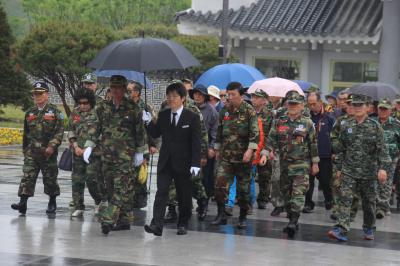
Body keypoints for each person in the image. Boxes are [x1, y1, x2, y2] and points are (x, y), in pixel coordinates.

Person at [328, 94, 390, 242]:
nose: (357, 108)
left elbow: (383, 150)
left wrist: (383, 169)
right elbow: (341, 149)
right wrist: (338, 168)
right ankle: (341, 229)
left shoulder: (375, 127)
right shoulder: (346, 126)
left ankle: (369, 227)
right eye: (354, 105)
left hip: (368, 173)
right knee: (345, 199)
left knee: (369, 203)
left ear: (367, 108)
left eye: (360, 105)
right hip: (349, 171)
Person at [143, 81, 201, 236]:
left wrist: (196, 163)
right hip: (166, 161)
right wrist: (148, 122)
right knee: (161, 192)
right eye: (168, 96)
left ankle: (183, 222)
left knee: (184, 194)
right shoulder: (163, 115)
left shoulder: (192, 117)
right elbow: (155, 133)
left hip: (184, 162)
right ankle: (157, 224)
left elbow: (196, 142)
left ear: (183, 98)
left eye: (174, 96)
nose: (171, 99)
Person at [96, 75, 147, 235]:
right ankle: (124, 220)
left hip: (126, 157)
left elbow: (140, 133)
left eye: (119, 88)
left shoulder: (133, 108)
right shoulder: (102, 107)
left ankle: (108, 220)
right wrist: (89, 145)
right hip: (107, 156)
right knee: (111, 189)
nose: (116, 91)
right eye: (113, 87)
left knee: (120, 189)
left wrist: (141, 153)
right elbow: (95, 127)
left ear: (125, 89)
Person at [267, 91, 319, 237]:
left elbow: (313, 144)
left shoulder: (307, 123)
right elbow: (271, 139)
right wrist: (267, 152)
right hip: (284, 164)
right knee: (286, 194)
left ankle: (293, 220)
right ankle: (292, 219)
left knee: (298, 193)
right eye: (290, 104)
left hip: (301, 165)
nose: (293, 106)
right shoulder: (279, 121)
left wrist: (315, 163)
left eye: (296, 104)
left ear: (302, 106)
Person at [11, 82, 64, 215]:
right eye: (35, 94)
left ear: (47, 94)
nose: (37, 96)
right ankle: (22, 203)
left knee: (50, 179)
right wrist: (25, 150)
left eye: (40, 93)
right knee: (27, 177)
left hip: (48, 153)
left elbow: (59, 131)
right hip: (32, 152)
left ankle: (52, 202)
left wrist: (52, 146)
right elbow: (26, 133)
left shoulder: (55, 112)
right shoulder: (30, 112)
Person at [212, 82, 259, 229]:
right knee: (219, 185)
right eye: (228, 95)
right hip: (226, 156)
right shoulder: (224, 110)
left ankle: (243, 217)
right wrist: (217, 149)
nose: (229, 98)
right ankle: (221, 215)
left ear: (241, 95)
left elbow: (255, 133)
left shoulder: (249, 111)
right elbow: (219, 131)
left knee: (243, 190)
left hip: (243, 157)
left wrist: (250, 150)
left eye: (233, 95)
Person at [68, 89, 102, 217]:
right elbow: (71, 129)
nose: (82, 105)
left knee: (91, 179)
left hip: (93, 153)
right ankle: (78, 206)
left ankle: (99, 201)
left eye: (85, 103)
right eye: (80, 103)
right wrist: (75, 145)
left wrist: (88, 147)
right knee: (77, 180)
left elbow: (101, 132)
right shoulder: (75, 112)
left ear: (91, 102)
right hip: (77, 152)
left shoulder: (97, 113)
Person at [127, 81, 158, 209]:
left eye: (129, 91)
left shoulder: (146, 107)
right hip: (127, 145)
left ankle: (140, 201)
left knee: (140, 174)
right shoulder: (124, 106)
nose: (127, 93)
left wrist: (152, 144)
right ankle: (127, 200)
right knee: (127, 174)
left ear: (137, 92)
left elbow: (153, 128)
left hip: (142, 146)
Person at [190, 84, 219, 218]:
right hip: (190, 150)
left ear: (205, 96)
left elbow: (215, 131)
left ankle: (204, 204)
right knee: (191, 178)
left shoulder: (212, 111)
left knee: (204, 179)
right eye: (195, 94)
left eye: (200, 94)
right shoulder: (189, 109)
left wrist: (211, 148)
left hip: (205, 150)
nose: (197, 96)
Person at [304, 92, 335, 213]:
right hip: (309, 155)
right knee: (308, 181)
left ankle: (328, 200)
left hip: (325, 155)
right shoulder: (306, 117)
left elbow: (335, 137)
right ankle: (308, 203)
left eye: (314, 104)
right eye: (309, 104)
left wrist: (334, 152)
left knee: (325, 181)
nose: (311, 106)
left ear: (320, 103)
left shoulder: (329, 117)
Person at [374, 99, 400, 218]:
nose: (383, 111)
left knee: (386, 182)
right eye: (381, 109)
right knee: (375, 182)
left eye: (385, 109)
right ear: (377, 109)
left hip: (390, 158)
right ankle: (378, 204)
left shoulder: (396, 124)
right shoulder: (372, 122)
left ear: (390, 110)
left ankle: (382, 207)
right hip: (374, 158)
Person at [330, 94, 354, 220]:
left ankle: (350, 210)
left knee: (353, 188)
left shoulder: (363, 122)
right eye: (348, 104)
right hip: (340, 158)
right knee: (336, 183)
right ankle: (337, 208)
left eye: (352, 104)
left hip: (356, 161)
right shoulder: (341, 120)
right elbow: (333, 136)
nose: (349, 106)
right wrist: (337, 148)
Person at [250, 89, 273, 209]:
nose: (253, 99)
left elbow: (271, 133)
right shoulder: (250, 112)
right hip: (252, 147)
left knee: (265, 175)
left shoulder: (270, 114)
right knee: (249, 175)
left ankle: (263, 198)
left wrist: (268, 150)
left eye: (256, 97)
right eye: (253, 97)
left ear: (263, 100)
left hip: (265, 147)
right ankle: (247, 198)